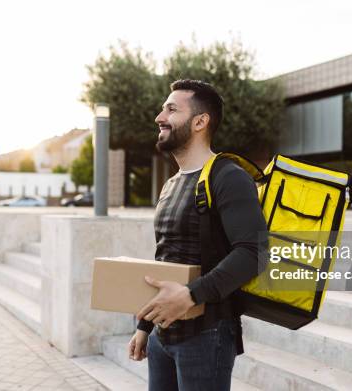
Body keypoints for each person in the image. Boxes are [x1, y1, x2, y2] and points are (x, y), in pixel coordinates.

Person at [126, 79, 267, 391]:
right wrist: (145, 326)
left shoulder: (229, 177)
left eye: (171, 109)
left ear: (200, 121)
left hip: (207, 336)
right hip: (162, 338)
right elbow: (166, 258)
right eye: (163, 109)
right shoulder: (171, 184)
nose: (159, 117)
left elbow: (253, 252)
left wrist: (190, 295)